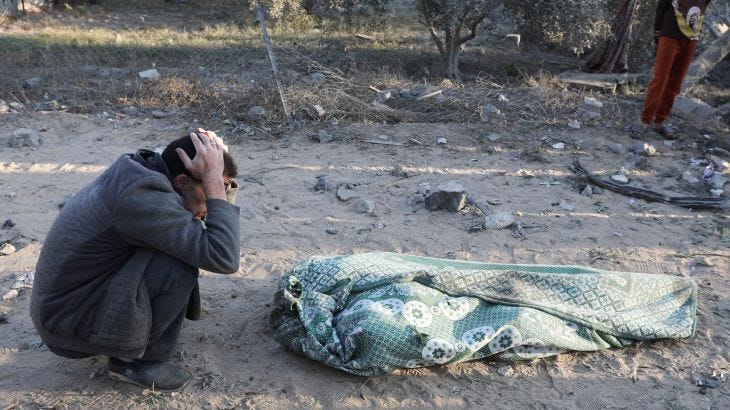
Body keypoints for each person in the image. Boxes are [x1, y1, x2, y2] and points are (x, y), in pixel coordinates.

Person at [30, 129, 240, 391]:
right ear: (183, 181)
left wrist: (217, 172)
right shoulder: (143, 196)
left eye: (223, 187)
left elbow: (208, 229)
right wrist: (213, 182)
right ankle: (134, 363)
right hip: (66, 324)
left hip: (66, 304)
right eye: (212, 187)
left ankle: (131, 343)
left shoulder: (147, 172)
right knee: (178, 267)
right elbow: (223, 256)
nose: (217, 195)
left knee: (182, 244)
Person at [631, 0, 712, 140]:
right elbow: (661, 7)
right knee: (660, 79)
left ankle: (659, 122)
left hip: (691, 37)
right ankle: (644, 121)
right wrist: (657, 35)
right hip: (669, 34)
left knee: (675, 84)